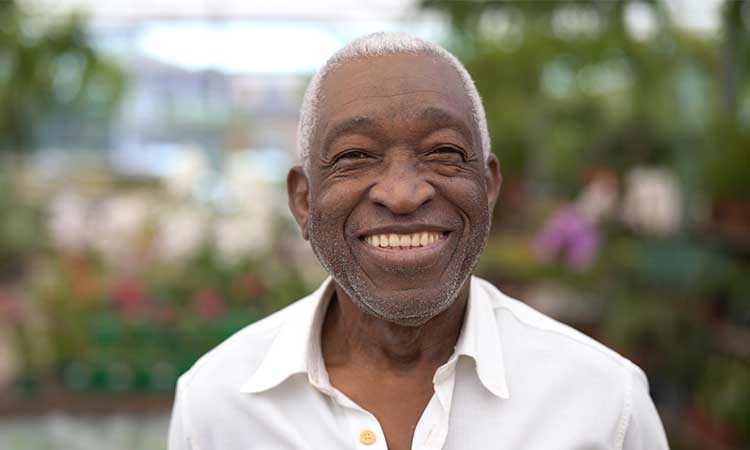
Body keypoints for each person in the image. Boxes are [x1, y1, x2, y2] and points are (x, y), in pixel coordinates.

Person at [168, 32, 670, 450]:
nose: (404, 194)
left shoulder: (605, 405)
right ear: (303, 200)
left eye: (444, 151)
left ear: (488, 187)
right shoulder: (218, 404)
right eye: (355, 156)